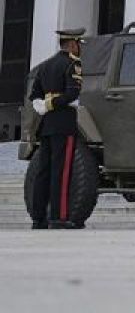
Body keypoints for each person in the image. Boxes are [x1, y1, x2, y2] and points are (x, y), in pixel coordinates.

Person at [27, 27, 86, 229]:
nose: (79, 48)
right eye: (79, 44)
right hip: (63, 124)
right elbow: (72, 94)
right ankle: (59, 217)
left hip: (46, 125)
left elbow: (34, 95)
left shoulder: (45, 66)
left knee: (44, 171)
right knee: (61, 171)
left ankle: (38, 218)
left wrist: (42, 105)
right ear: (71, 43)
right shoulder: (72, 64)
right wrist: (51, 104)